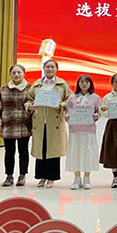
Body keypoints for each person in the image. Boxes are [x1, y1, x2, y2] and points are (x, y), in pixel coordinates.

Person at [25, 59, 72, 188]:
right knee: (42, 149)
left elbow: (70, 99)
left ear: (56, 69)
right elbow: (28, 99)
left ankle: (52, 177)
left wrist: (61, 105)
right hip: (40, 121)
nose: (50, 69)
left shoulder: (62, 84)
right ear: (44, 69)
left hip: (55, 121)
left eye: (52, 67)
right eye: (47, 67)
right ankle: (42, 177)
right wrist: (30, 107)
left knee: (53, 150)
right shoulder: (37, 85)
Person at [0, 64, 32, 187]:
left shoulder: (30, 88)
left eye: (19, 72)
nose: (16, 75)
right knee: (9, 152)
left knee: (23, 151)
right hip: (8, 125)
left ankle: (22, 175)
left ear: (24, 74)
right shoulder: (3, 89)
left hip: (24, 125)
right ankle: (9, 176)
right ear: (10, 75)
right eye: (14, 73)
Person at [66, 75, 101, 190]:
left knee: (88, 153)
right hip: (74, 131)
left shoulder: (95, 98)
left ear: (90, 84)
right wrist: (67, 116)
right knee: (75, 153)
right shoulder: (72, 98)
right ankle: (77, 179)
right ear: (78, 84)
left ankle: (87, 178)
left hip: (89, 131)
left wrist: (97, 116)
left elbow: (99, 111)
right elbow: (67, 111)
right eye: (82, 82)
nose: (84, 84)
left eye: (87, 82)